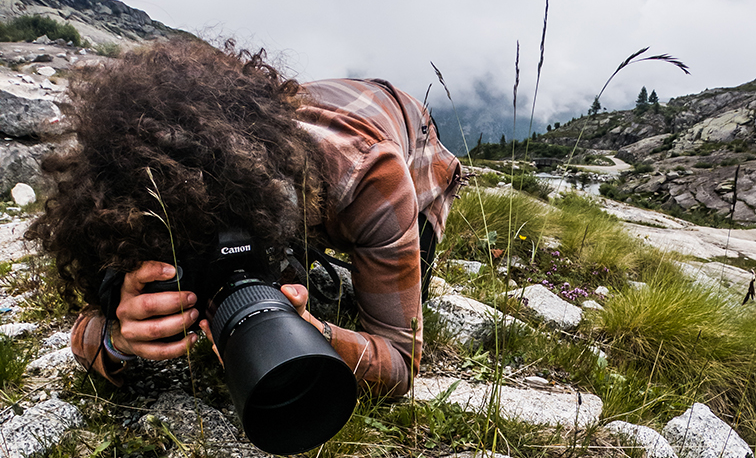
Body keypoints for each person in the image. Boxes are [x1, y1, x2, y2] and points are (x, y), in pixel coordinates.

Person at [28, 38, 462, 400]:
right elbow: (88, 326)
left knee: (404, 287)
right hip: (299, 134)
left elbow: (400, 363)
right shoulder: (147, 193)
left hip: (406, 133)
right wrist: (117, 334)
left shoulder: (369, 176)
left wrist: (315, 334)